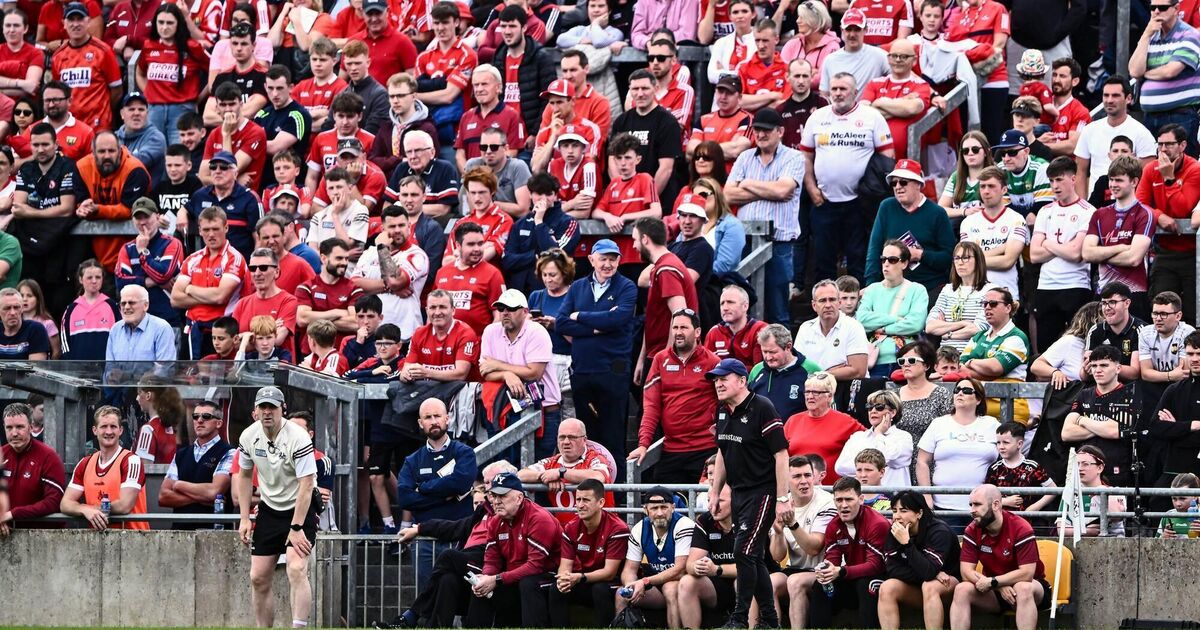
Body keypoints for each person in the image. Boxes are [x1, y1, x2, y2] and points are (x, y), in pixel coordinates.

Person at [707, 355, 792, 629]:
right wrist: (715, 491)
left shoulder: (762, 407)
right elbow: (722, 451)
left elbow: (781, 454)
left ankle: (740, 618)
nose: (718, 384)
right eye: (716, 380)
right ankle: (770, 620)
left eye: (724, 378)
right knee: (752, 556)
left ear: (742, 381)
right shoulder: (721, 410)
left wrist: (782, 498)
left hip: (763, 491)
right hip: (738, 492)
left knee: (743, 552)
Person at [233, 387, 319, 628]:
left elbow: (307, 484)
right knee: (258, 577)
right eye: (263, 407)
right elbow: (244, 475)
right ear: (255, 411)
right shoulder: (248, 436)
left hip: (300, 507)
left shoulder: (298, 437)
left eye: (272, 407)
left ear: (283, 409)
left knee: (296, 568)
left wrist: (296, 527)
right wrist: (244, 518)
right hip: (270, 509)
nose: (267, 412)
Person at [802, 72, 894, 287]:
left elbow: (887, 157)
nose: (838, 93)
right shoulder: (817, 117)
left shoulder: (872, 117)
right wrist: (812, 188)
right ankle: (823, 302)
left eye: (843, 89)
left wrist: (872, 191)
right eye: (834, 89)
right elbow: (805, 156)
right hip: (824, 201)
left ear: (855, 92)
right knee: (823, 260)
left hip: (859, 203)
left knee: (858, 259)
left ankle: (858, 302)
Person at [555, 240, 637, 481]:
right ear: (591, 260)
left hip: (613, 372)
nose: (608, 264)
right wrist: (596, 327)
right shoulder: (578, 287)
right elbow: (561, 323)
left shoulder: (627, 286)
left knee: (613, 436)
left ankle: (616, 492)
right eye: (603, 258)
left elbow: (618, 319)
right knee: (586, 437)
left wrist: (580, 315)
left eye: (613, 259)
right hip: (583, 371)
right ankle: (589, 488)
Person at [725, 107, 804, 325]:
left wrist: (747, 183)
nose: (760, 135)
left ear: (780, 131)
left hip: (779, 243)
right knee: (742, 306)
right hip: (745, 239)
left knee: (778, 310)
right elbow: (728, 194)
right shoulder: (745, 157)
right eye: (757, 130)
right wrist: (770, 190)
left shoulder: (794, 157)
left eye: (766, 130)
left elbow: (783, 191)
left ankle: (781, 347)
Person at [630, 309, 720, 484]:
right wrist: (643, 445)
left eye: (684, 328)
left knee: (703, 500)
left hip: (705, 449)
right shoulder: (660, 359)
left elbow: (726, 404)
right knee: (661, 499)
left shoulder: (713, 362)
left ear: (697, 332)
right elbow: (651, 407)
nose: (678, 332)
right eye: (675, 327)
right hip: (671, 449)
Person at [465, 472, 562, 627]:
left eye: (502, 496)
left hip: (550, 574)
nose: (496, 501)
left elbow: (535, 566)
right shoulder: (495, 521)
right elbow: (492, 560)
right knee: (482, 587)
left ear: (519, 498)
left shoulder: (539, 518)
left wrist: (496, 579)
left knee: (527, 583)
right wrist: (486, 578)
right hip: (515, 574)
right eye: (494, 496)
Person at [789, 477, 887, 629]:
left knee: (866, 585)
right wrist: (826, 571)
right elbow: (832, 561)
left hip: (879, 578)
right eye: (839, 500)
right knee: (822, 583)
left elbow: (875, 566)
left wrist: (841, 571)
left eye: (849, 499)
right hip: (851, 577)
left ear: (861, 499)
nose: (844, 505)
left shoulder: (877, 524)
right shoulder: (833, 526)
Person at [950, 484, 1048, 630]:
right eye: (971, 505)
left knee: (1023, 587)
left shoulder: (1021, 527)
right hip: (994, 589)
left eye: (977, 504)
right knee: (961, 589)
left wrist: (995, 582)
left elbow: (1027, 574)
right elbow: (965, 572)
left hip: (1032, 587)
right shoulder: (972, 529)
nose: (972, 510)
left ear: (996, 505)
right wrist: (997, 585)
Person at [480, 289, 560, 459]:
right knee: (503, 465)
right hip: (505, 409)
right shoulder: (490, 331)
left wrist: (498, 366)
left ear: (525, 311)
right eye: (501, 309)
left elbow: (534, 373)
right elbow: (485, 372)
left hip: (544, 409)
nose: (505, 313)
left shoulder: (537, 331)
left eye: (511, 308)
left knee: (538, 467)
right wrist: (506, 375)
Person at [1031, 156, 1096, 352]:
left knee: (1078, 343)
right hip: (1046, 285)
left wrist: (1048, 243)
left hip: (1075, 285)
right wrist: (1063, 247)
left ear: (1073, 178)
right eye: (1051, 181)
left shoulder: (1088, 211)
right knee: (1046, 347)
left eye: (1059, 179)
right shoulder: (1045, 211)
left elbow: (1076, 253)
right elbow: (1034, 254)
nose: (1055, 186)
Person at [865, 159, 956, 294]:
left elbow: (949, 257)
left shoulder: (937, 213)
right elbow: (874, 249)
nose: (897, 187)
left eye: (903, 182)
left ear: (918, 184)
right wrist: (871, 285)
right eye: (894, 183)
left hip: (930, 287)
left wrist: (920, 255)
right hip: (892, 286)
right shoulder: (886, 207)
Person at [1139, 123, 1200, 322]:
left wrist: (1168, 179)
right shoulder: (1150, 169)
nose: (1163, 150)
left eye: (1169, 144)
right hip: (1164, 252)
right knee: (1161, 309)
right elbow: (1140, 205)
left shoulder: (1195, 169)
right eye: (1160, 144)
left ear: (1183, 145)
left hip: (1192, 254)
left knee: (1191, 314)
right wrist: (1158, 216)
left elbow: (1182, 209)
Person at [549, 478, 630, 627]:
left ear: (601, 503)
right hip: (584, 579)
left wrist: (580, 577)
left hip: (612, 582)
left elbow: (609, 573)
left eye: (586, 500)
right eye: (578, 500)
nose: (580, 505)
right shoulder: (571, 527)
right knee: (557, 588)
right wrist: (563, 579)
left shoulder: (617, 528)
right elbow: (565, 566)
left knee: (600, 589)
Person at [917, 378, 1000, 523]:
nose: (960, 393)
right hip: (944, 505)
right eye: (957, 390)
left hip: (984, 506)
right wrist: (927, 496)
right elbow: (922, 461)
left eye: (966, 391)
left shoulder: (991, 424)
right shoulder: (939, 423)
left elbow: (1008, 455)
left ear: (978, 399)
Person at [1083, 156, 1156, 319]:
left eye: (1119, 180)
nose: (1113, 185)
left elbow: (1133, 259)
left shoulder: (1145, 213)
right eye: (1111, 179)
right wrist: (1121, 248)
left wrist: (1101, 255)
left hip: (1133, 294)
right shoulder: (1099, 214)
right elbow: (1087, 254)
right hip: (1103, 293)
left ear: (1134, 181)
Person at [877, 490, 962, 630]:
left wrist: (907, 544)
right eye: (894, 511)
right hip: (919, 585)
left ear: (919, 513)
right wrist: (933, 573)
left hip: (950, 588)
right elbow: (892, 570)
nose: (897, 516)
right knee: (887, 587)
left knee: (929, 585)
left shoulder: (939, 531)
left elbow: (927, 573)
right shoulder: (895, 531)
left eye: (903, 511)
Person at [615, 486, 695, 629]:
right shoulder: (639, 528)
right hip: (656, 582)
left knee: (670, 588)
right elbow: (629, 569)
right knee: (622, 594)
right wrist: (632, 585)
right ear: (645, 510)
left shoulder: (684, 525)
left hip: (685, 583)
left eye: (664, 507)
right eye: (654, 508)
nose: (659, 513)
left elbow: (680, 569)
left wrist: (644, 582)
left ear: (673, 507)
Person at [1062, 344, 1140, 488]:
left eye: (1104, 365)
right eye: (1094, 366)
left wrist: (1082, 420)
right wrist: (1103, 427)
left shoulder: (1129, 395)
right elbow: (1066, 433)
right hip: (1085, 473)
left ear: (1118, 368)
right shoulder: (1084, 395)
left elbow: (1115, 431)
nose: (1098, 370)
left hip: (1117, 471)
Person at [1129, 0, 1200, 158]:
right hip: (1150, 116)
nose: (1156, 11)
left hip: (1179, 116)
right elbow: (1134, 70)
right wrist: (1146, 35)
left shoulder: (1190, 35)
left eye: (1162, 7)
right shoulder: (1150, 36)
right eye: (1152, 7)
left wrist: (1145, 73)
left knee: (1181, 166)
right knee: (1151, 166)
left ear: (1176, 9)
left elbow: (1170, 71)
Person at [75, 130, 153, 272]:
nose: (107, 156)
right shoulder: (81, 167)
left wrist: (97, 210)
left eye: (111, 151)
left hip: (130, 248)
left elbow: (131, 209)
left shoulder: (135, 170)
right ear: (93, 152)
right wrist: (82, 208)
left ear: (120, 149)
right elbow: (80, 202)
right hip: (93, 249)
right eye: (101, 151)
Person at [633, 217, 699, 383]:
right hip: (657, 355)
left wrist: (668, 359)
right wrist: (642, 359)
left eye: (635, 240)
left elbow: (681, 316)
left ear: (645, 239)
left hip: (667, 358)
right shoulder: (661, 267)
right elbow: (653, 319)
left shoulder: (666, 269)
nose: (634, 246)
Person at [61, 406, 148, 530]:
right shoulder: (85, 463)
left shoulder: (131, 460)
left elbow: (124, 506)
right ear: (95, 430)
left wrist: (93, 510)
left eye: (113, 426)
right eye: (103, 426)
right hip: (98, 538)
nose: (108, 431)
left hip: (133, 537)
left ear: (121, 430)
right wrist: (84, 509)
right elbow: (65, 504)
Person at [351, 206, 430, 339]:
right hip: (373, 334)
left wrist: (382, 249)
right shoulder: (369, 253)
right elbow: (354, 284)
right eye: (392, 226)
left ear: (409, 226)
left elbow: (395, 281)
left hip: (405, 333)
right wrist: (388, 287)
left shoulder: (417, 255)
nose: (397, 230)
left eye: (401, 225)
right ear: (383, 229)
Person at [958, 286, 1032, 425]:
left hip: (1010, 411)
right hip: (979, 410)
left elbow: (996, 367)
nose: (987, 308)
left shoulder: (1017, 337)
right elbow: (960, 368)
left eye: (993, 304)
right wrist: (986, 371)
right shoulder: (978, 336)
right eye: (984, 304)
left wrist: (971, 362)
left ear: (1008, 308)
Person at [610, 69, 685, 206]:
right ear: (629, 91)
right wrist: (624, 195)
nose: (640, 94)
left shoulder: (667, 122)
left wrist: (645, 201)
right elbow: (612, 162)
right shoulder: (621, 121)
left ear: (655, 88)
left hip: (659, 201)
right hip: (626, 199)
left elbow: (666, 168)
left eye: (645, 88)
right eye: (635, 89)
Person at [397, 398, 477, 525]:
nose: (434, 421)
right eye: (428, 417)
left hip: (459, 532)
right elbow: (405, 499)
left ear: (447, 418)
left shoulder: (464, 453)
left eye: (437, 416)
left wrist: (422, 487)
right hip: (424, 533)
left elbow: (460, 484)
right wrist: (446, 498)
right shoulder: (412, 461)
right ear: (420, 423)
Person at [1074, 76, 1156, 199]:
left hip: (1129, 202)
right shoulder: (1089, 130)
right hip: (1095, 202)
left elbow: (1148, 176)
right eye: (1106, 95)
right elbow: (1080, 171)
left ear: (1128, 98)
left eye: (1115, 95)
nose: (1109, 100)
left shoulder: (1142, 133)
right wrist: (1082, 205)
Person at [157, 400, 235, 530]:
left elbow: (214, 492)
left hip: (215, 534)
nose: (199, 420)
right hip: (179, 533)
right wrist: (202, 498)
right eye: (195, 416)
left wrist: (178, 485)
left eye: (206, 416)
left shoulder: (229, 452)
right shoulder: (181, 454)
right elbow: (163, 497)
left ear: (219, 423)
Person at [857, 239, 930, 377]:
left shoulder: (917, 290)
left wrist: (883, 329)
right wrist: (896, 319)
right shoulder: (872, 289)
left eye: (892, 260)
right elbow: (861, 320)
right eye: (883, 259)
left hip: (907, 361)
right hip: (874, 360)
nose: (886, 264)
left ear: (904, 263)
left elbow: (915, 324)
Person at [500, 173, 580, 294]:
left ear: (555, 195)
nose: (543, 198)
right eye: (539, 193)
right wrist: (534, 256)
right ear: (530, 194)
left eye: (548, 194)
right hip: (518, 291)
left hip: (551, 291)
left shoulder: (568, 223)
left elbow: (556, 256)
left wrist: (539, 222)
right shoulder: (520, 224)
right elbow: (507, 261)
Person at [518, 417, 610, 522]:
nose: (566, 442)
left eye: (572, 437)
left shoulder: (596, 458)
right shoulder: (552, 462)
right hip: (565, 529)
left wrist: (561, 473)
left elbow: (598, 477)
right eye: (562, 437)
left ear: (584, 440)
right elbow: (521, 475)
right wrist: (545, 476)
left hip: (600, 527)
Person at [958, 166, 1028, 301]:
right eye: (982, 186)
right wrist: (1001, 249)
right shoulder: (968, 222)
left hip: (1006, 295)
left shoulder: (1016, 219)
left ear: (1004, 190)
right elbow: (966, 261)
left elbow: (1007, 261)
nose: (986, 191)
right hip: (974, 295)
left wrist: (975, 259)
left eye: (991, 186)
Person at [676, 484, 740, 629]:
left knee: (744, 580)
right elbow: (690, 565)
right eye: (709, 500)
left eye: (720, 501)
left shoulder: (748, 519)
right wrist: (697, 567)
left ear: (735, 500)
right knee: (687, 582)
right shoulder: (705, 521)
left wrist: (717, 569)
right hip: (719, 584)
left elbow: (752, 567)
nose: (713, 506)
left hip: (753, 582)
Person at [50, 2, 122, 130]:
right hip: (69, 126)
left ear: (88, 22)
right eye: (71, 20)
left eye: (80, 19)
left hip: (98, 126)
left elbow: (117, 90)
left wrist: (102, 110)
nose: (76, 24)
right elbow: (57, 93)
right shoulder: (58, 56)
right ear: (64, 23)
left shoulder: (103, 51)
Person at [117, 197, 186, 329]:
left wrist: (143, 251)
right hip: (135, 322)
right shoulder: (127, 249)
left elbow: (163, 274)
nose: (143, 222)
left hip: (167, 321)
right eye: (138, 218)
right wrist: (150, 281)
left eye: (147, 217)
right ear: (133, 220)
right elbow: (121, 284)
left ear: (157, 217)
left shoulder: (172, 243)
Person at [431, 222, 506, 338]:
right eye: (471, 244)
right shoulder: (442, 273)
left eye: (480, 244)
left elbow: (500, 314)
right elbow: (432, 310)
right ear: (458, 246)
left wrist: (488, 342)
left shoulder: (493, 274)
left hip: (477, 343)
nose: (477, 249)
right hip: (444, 343)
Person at [0, 402, 66, 530]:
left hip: (44, 536)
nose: (14, 433)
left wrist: (12, 514)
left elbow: (54, 501)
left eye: (20, 427)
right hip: (6, 534)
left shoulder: (48, 457)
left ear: (31, 427)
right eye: (9, 428)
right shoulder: (1, 455)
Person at [835, 390, 913, 486]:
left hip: (894, 494)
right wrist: (871, 467)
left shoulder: (903, 437)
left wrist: (879, 433)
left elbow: (886, 457)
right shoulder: (858, 437)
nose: (873, 411)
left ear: (892, 412)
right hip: (864, 494)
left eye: (879, 407)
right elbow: (841, 467)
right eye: (870, 407)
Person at [795, 280, 870, 380]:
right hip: (813, 387)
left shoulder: (854, 327)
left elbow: (858, 371)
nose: (828, 305)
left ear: (839, 303)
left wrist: (819, 375)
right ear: (814, 305)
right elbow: (797, 367)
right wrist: (833, 372)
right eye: (822, 300)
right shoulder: (805, 328)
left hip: (847, 387)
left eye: (832, 300)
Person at [925, 241, 993, 351]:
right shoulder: (948, 289)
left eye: (966, 258)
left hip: (973, 354)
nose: (960, 263)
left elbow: (977, 329)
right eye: (957, 258)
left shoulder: (989, 290)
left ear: (978, 261)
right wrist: (963, 323)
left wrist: (947, 333)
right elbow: (930, 327)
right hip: (945, 355)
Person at [749, 324, 820, 420]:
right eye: (764, 352)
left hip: (798, 429)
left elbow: (825, 408)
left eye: (773, 352)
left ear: (788, 347)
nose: (768, 357)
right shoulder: (757, 370)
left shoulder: (811, 370)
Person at [985, 422, 1057, 513]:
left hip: (1026, 519)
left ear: (1019, 444)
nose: (1001, 447)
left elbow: (1053, 490)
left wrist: (1034, 508)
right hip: (1001, 519)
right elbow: (986, 496)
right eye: (998, 443)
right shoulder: (995, 468)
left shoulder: (1032, 467)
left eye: (1006, 443)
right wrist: (1005, 501)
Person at [818, 9, 889, 100]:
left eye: (857, 30)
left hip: (867, 107)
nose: (852, 34)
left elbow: (901, 77)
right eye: (848, 29)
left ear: (865, 30)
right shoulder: (830, 59)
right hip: (838, 108)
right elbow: (824, 95)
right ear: (842, 30)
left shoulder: (879, 56)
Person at [1139, 291, 1195, 405]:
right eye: (1155, 313)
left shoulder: (1187, 332)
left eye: (1164, 314)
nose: (1158, 318)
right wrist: (1170, 375)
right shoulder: (1145, 333)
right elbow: (1145, 374)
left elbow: (1183, 374)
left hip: (1180, 387)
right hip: (1154, 386)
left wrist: (1160, 375)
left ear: (1178, 316)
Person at [1030, 301, 1102, 388]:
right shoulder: (1070, 342)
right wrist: (1055, 372)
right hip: (1071, 394)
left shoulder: (1107, 343)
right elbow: (1037, 365)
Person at [1085, 281, 1147, 382]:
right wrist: (1086, 368)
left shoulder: (1141, 330)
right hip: (1101, 384)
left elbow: (1135, 373)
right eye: (1104, 303)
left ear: (1127, 303)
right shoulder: (1095, 330)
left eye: (1112, 302)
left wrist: (1108, 365)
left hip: (1131, 386)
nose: (1107, 308)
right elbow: (1083, 376)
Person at [60, 258, 119, 362]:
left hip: (107, 368)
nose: (94, 281)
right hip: (78, 369)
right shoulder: (71, 310)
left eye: (98, 277)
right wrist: (71, 365)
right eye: (89, 277)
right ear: (80, 279)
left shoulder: (112, 306)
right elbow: (65, 345)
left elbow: (121, 338)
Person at [115, 92, 167, 187]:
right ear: (122, 114)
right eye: (131, 109)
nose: (136, 113)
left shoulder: (156, 138)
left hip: (147, 194)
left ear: (147, 114)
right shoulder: (114, 137)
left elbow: (136, 164)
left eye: (141, 109)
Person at [0, 288, 49, 360]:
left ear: (22, 308)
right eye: (7, 308)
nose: (13, 313)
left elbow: (36, 365)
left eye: (16, 307)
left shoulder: (35, 330)